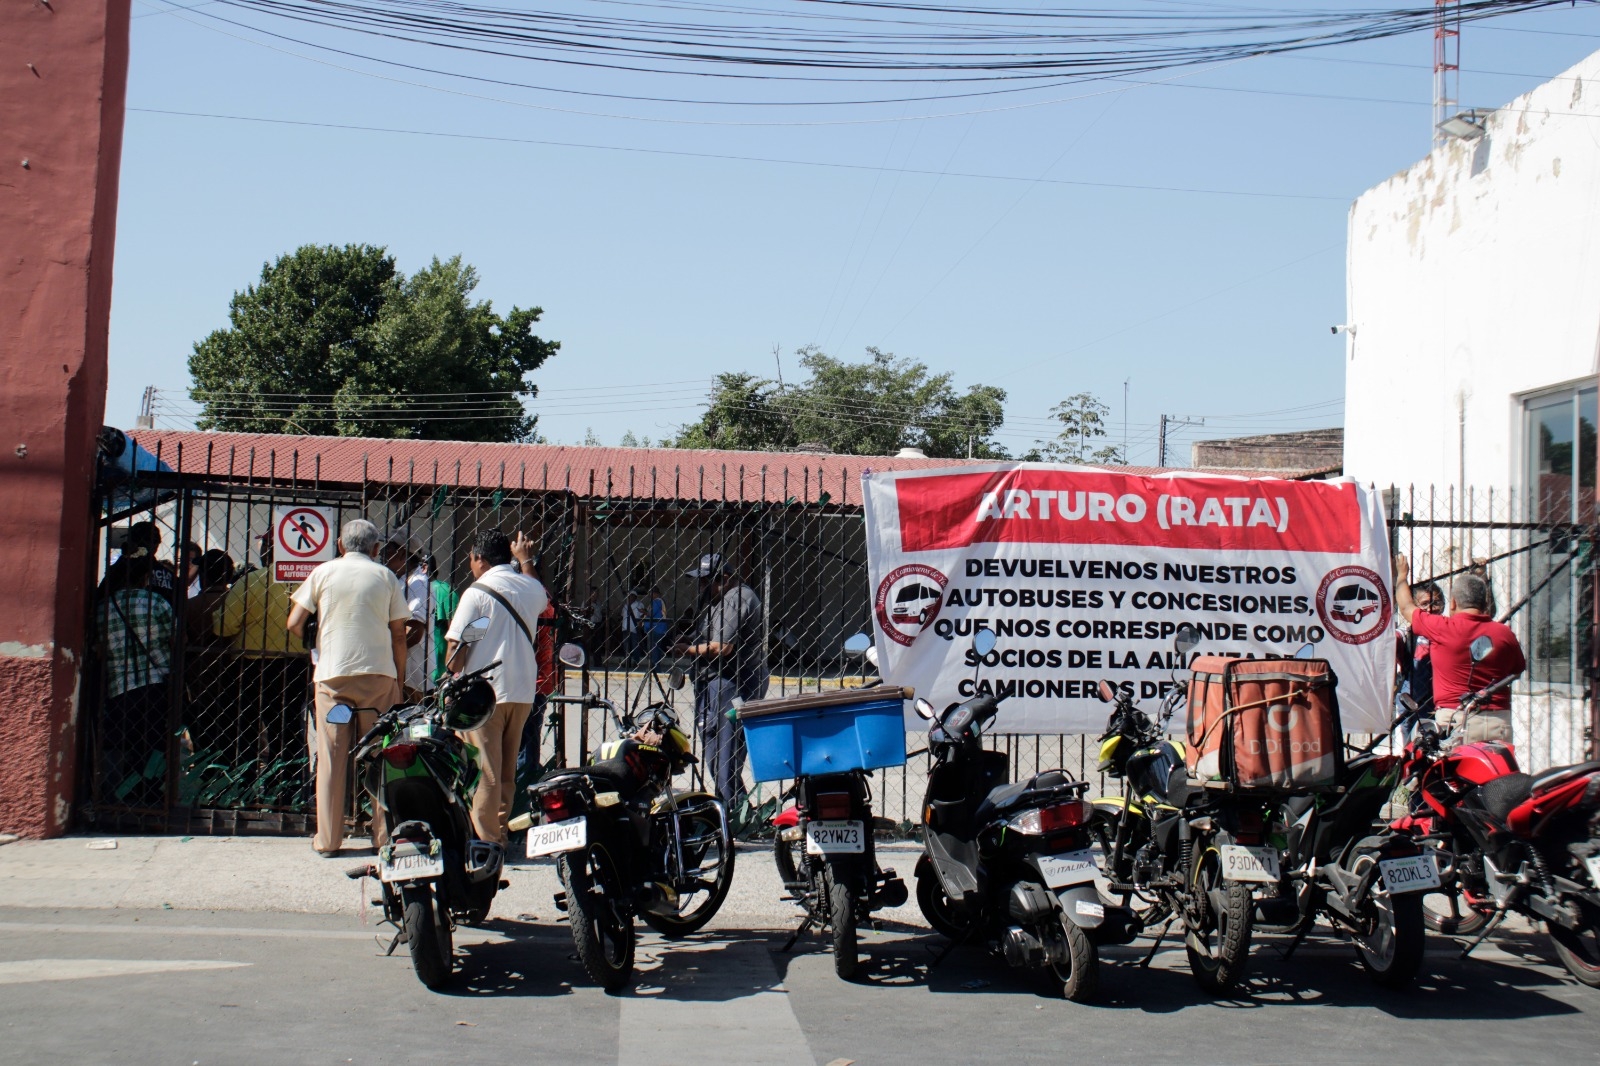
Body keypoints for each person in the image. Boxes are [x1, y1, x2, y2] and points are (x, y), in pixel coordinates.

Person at [287, 518, 411, 856]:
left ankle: (328, 839)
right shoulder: (386, 577)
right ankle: (382, 837)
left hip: (333, 679)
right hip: (378, 678)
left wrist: (319, 647)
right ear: (375, 549)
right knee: (380, 755)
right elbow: (399, 633)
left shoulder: (323, 573)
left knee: (331, 757)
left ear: (340, 545)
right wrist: (398, 679)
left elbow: (294, 622)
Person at [444, 530, 549, 845]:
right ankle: (500, 831)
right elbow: (541, 596)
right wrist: (526, 560)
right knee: (505, 771)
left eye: (472, 559)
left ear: (480, 559)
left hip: (485, 694)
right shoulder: (530, 587)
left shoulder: (476, 592)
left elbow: (455, 659)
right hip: (521, 690)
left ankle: (487, 840)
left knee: (486, 770)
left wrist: (473, 636)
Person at [1395, 555, 1526, 744]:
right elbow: (1517, 669)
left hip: (1456, 721)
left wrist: (1401, 576)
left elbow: (1406, 606)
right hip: (1499, 722)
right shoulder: (1504, 634)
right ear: (1483, 602)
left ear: (1453, 603)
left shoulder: (1442, 628)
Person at [675, 553, 767, 809]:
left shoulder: (737, 598)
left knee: (726, 751)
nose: (702, 587)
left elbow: (721, 647)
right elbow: (704, 634)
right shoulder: (715, 601)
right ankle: (736, 805)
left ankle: (732, 809)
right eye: (701, 581)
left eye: (707, 581)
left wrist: (686, 650)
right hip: (712, 681)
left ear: (725, 579)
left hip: (735, 681)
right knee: (713, 748)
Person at [96, 548, 174, 805]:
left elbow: (97, 647)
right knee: (154, 743)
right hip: (155, 684)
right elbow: (178, 639)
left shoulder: (104, 608)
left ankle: (125, 794)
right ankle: (151, 792)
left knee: (127, 743)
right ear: (145, 577)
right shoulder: (157, 602)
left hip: (119, 687)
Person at [382, 532, 430, 702]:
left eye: (388, 549)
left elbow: (415, 630)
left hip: (412, 678)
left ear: (402, 553)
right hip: (403, 671)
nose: (382, 553)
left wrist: (389, 651)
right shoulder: (402, 581)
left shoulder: (418, 583)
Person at [646, 585, 668, 671]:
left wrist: (644, 611)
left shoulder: (656, 602)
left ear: (654, 594)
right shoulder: (661, 602)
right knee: (656, 648)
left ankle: (654, 667)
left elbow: (651, 614)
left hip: (655, 628)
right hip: (659, 629)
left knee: (653, 649)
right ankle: (656, 667)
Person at [622, 589, 643, 664]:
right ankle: (627, 660)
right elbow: (623, 615)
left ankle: (635, 661)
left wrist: (640, 623)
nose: (630, 598)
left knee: (635, 645)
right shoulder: (625, 605)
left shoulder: (639, 604)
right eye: (629, 596)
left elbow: (642, 614)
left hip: (634, 627)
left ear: (635, 597)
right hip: (625, 627)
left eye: (631, 596)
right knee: (626, 646)